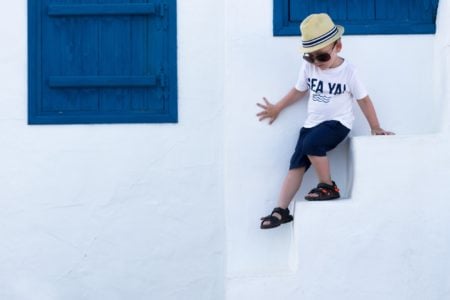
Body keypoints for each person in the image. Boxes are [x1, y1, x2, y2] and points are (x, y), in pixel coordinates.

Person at [257, 13, 394, 230]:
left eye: (321, 57)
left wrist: (375, 127)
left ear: (338, 46)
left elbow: (364, 100)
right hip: (312, 124)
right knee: (296, 164)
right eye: (309, 57)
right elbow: (297, 91)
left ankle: (328, 186)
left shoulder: (349, 72)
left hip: (338, 124)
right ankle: (281, 210)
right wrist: (277, 108)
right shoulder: (309, 67)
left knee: (312, 144)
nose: (316, 63)